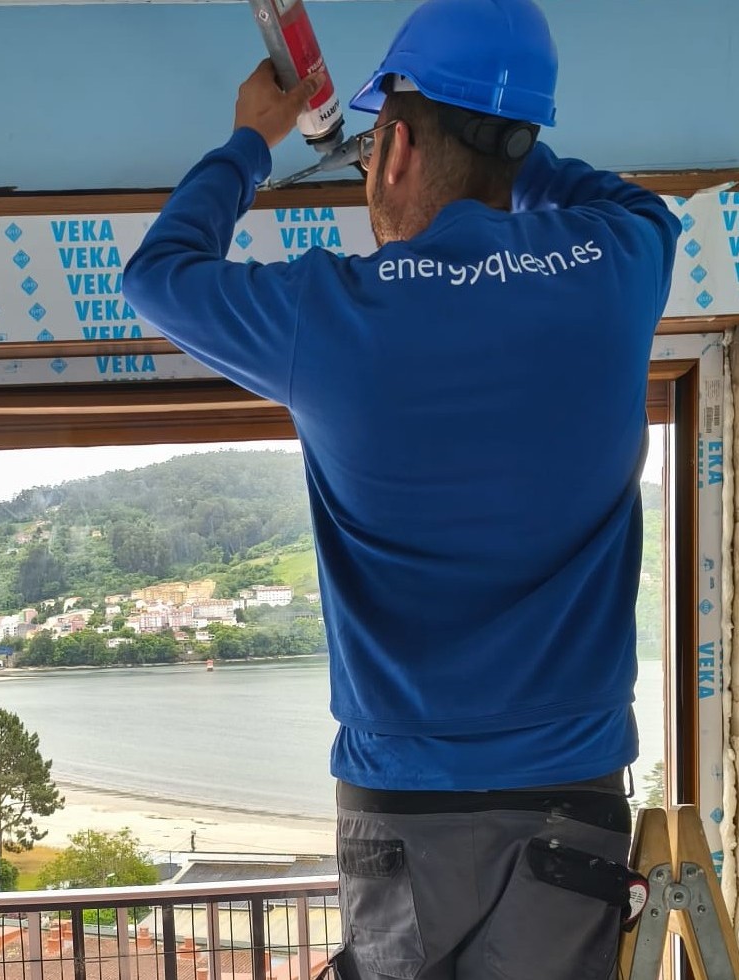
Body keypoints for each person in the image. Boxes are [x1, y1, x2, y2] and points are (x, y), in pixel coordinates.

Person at [123, 0, 679, 976]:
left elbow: (160, 273)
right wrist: (499, 145)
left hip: (403, 797)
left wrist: (249, 142)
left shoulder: (333, 312)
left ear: (395, 148)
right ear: (522, 143)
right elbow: (621, 202)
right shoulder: (620, 264)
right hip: (573, 784)